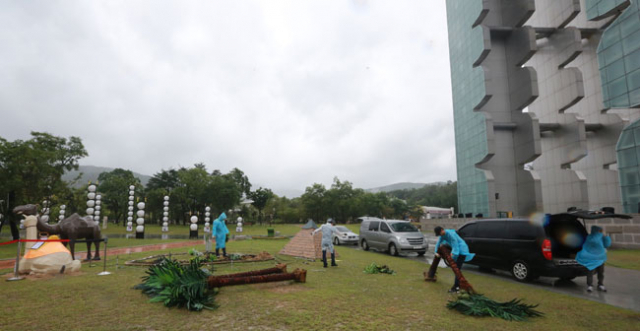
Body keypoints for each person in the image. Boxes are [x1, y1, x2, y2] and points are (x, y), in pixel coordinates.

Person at [434, 226, 475, 293]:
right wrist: (436, 252)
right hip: (456, 249)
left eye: (440, 233)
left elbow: (455, 244)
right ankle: (458, 286)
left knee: (457, 269)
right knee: (456, 269)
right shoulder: (442, 235)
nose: (440, 235)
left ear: (442, 230)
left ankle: (456, 287)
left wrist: (453, 254)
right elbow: (438, 243)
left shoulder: (451, 234)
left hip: (462, 250)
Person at [576, 225, 611, 292]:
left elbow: (607, 244)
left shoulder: (601, 237)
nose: (600, 232)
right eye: (599, 230)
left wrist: (606, 237)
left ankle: (600, 284)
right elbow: (592, 243)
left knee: (601, 272)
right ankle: (590, 285)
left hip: (600, 258)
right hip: (591, 258)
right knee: (590, 272)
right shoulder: (590, 237)